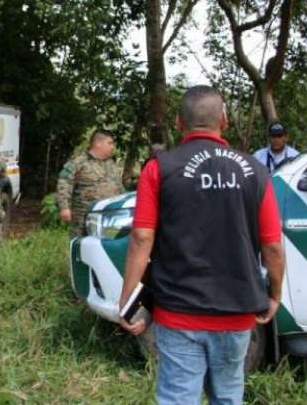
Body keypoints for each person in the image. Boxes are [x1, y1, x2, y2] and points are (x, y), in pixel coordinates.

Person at [118, 86, 285, 405]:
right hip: (237, 312)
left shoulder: (158, 169)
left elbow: (141, 238)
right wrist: (274, 294)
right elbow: (272, 246)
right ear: (224, 120)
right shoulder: (256, 171)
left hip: (177, 312)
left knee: (178, 397)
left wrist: (127, 298)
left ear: (179, 123)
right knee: (227, 395)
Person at [56, 129, 124, 237]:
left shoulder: (111, 163)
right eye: (109, 143)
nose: (112, 147)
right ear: (98, 143)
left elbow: (119, 186)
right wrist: (64, 207)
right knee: (81, 246)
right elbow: (64, 182)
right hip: (84, 216)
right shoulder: (79, 161)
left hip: (109, 216)